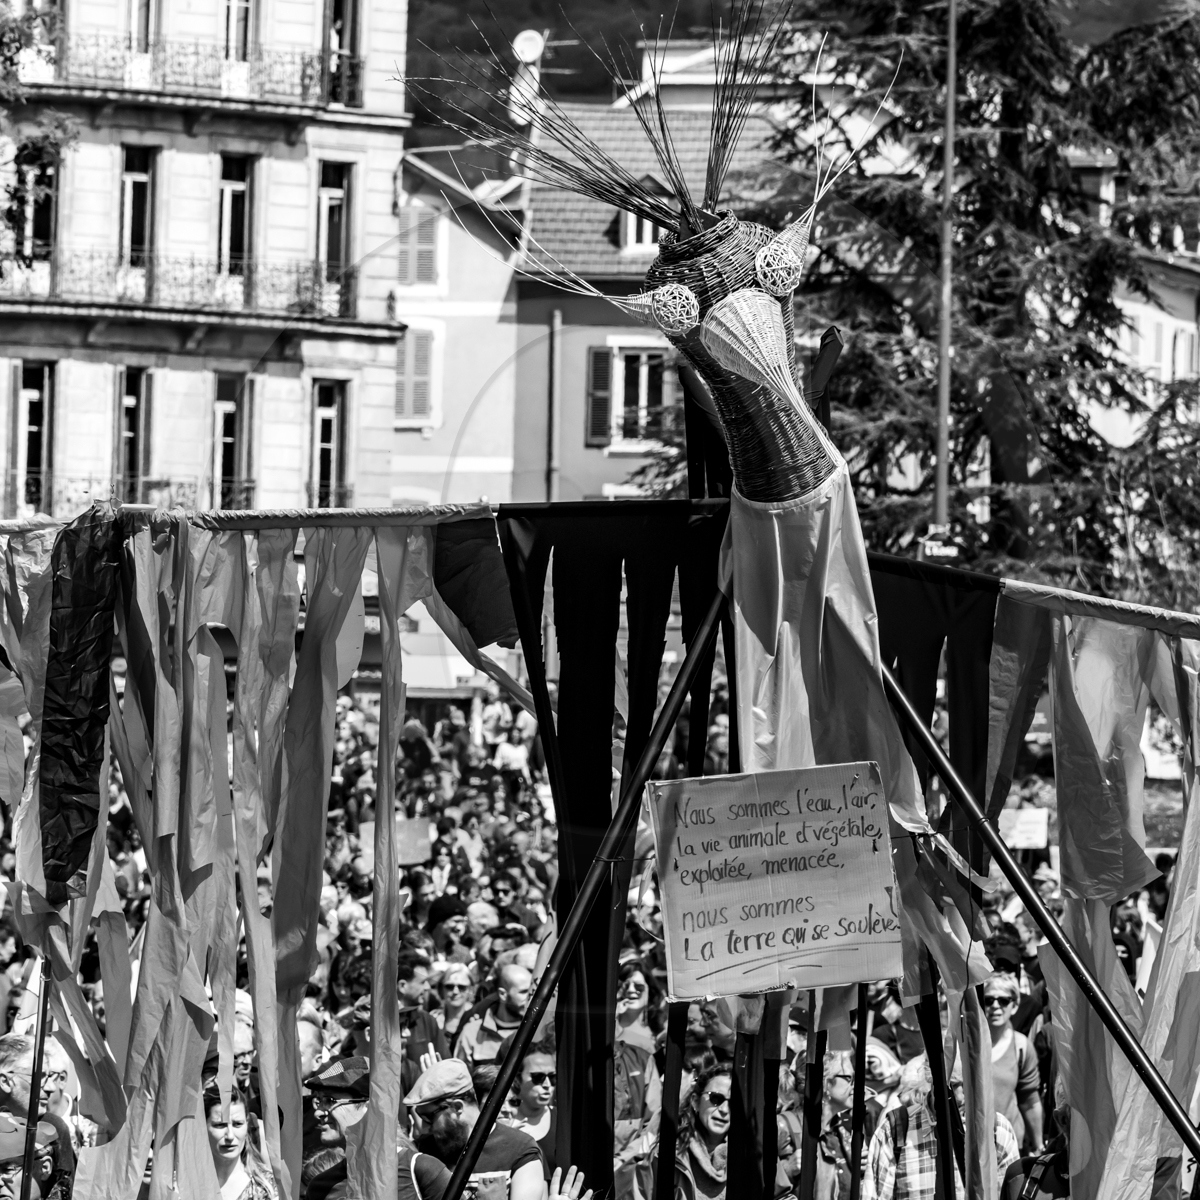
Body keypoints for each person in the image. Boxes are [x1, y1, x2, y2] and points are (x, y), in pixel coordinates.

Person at [865, 1054, 1020, 1200]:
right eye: (951, 1085)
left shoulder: (996, 1130)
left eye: (967, 1083)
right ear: (930, 1076)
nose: (959, 1097)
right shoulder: (895, 1130)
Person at [303, 1057, 451, 1200]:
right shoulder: (319, 1189)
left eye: (329, 1101)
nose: (318, 1113)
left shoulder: (421, 1170)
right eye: (319, 1101)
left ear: (370, 1108)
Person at [406, 1058, 544, 1200]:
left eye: (429, 1117)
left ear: (457, 1108)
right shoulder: (420, 1152)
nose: (426, 1127)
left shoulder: (520, 1149)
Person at [982, 973, 1043, 1152]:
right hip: (970, 1143)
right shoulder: (965, 1044)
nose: (995, 1006)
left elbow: (1030, 1100)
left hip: (1010, 1146)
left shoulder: (1021, 1046)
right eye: (988, 1000)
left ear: (1014, 1005)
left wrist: (1039, 1146)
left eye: (1003, 1001)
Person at [204, 1085, 277, 1200]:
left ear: (247, 1125)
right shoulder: (181, 1185)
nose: (230, 1136)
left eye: (237, 1124)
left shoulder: (268, 1187)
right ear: (203, 1127)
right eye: (220, 1125)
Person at [455, 965, 531, 1068]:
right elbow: (460, 1079)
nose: (530, 997)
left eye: (532, 990)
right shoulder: (472, 1032)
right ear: (503, 994)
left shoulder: (537, 1032)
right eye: (523, 992)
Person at [503, 1042, 559, 1179]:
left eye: (552, 1077)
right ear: (516, 1079)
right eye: (538, 1077)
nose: (547, 1085)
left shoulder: (563, 1120)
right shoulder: (502, 1123)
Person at [397, 951, 449, 1094]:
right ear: (402, 986)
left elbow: (446, 1068)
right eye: (422, 982)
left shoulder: (428, 1021)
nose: (427, 987)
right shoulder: (377, 1022)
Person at [432, 964, 473, 1046]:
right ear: (441, 989)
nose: (455, 992)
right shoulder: (432, 1019)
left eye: (462, 987)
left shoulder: (477, 1019)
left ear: (470, 990)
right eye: (449, 986)